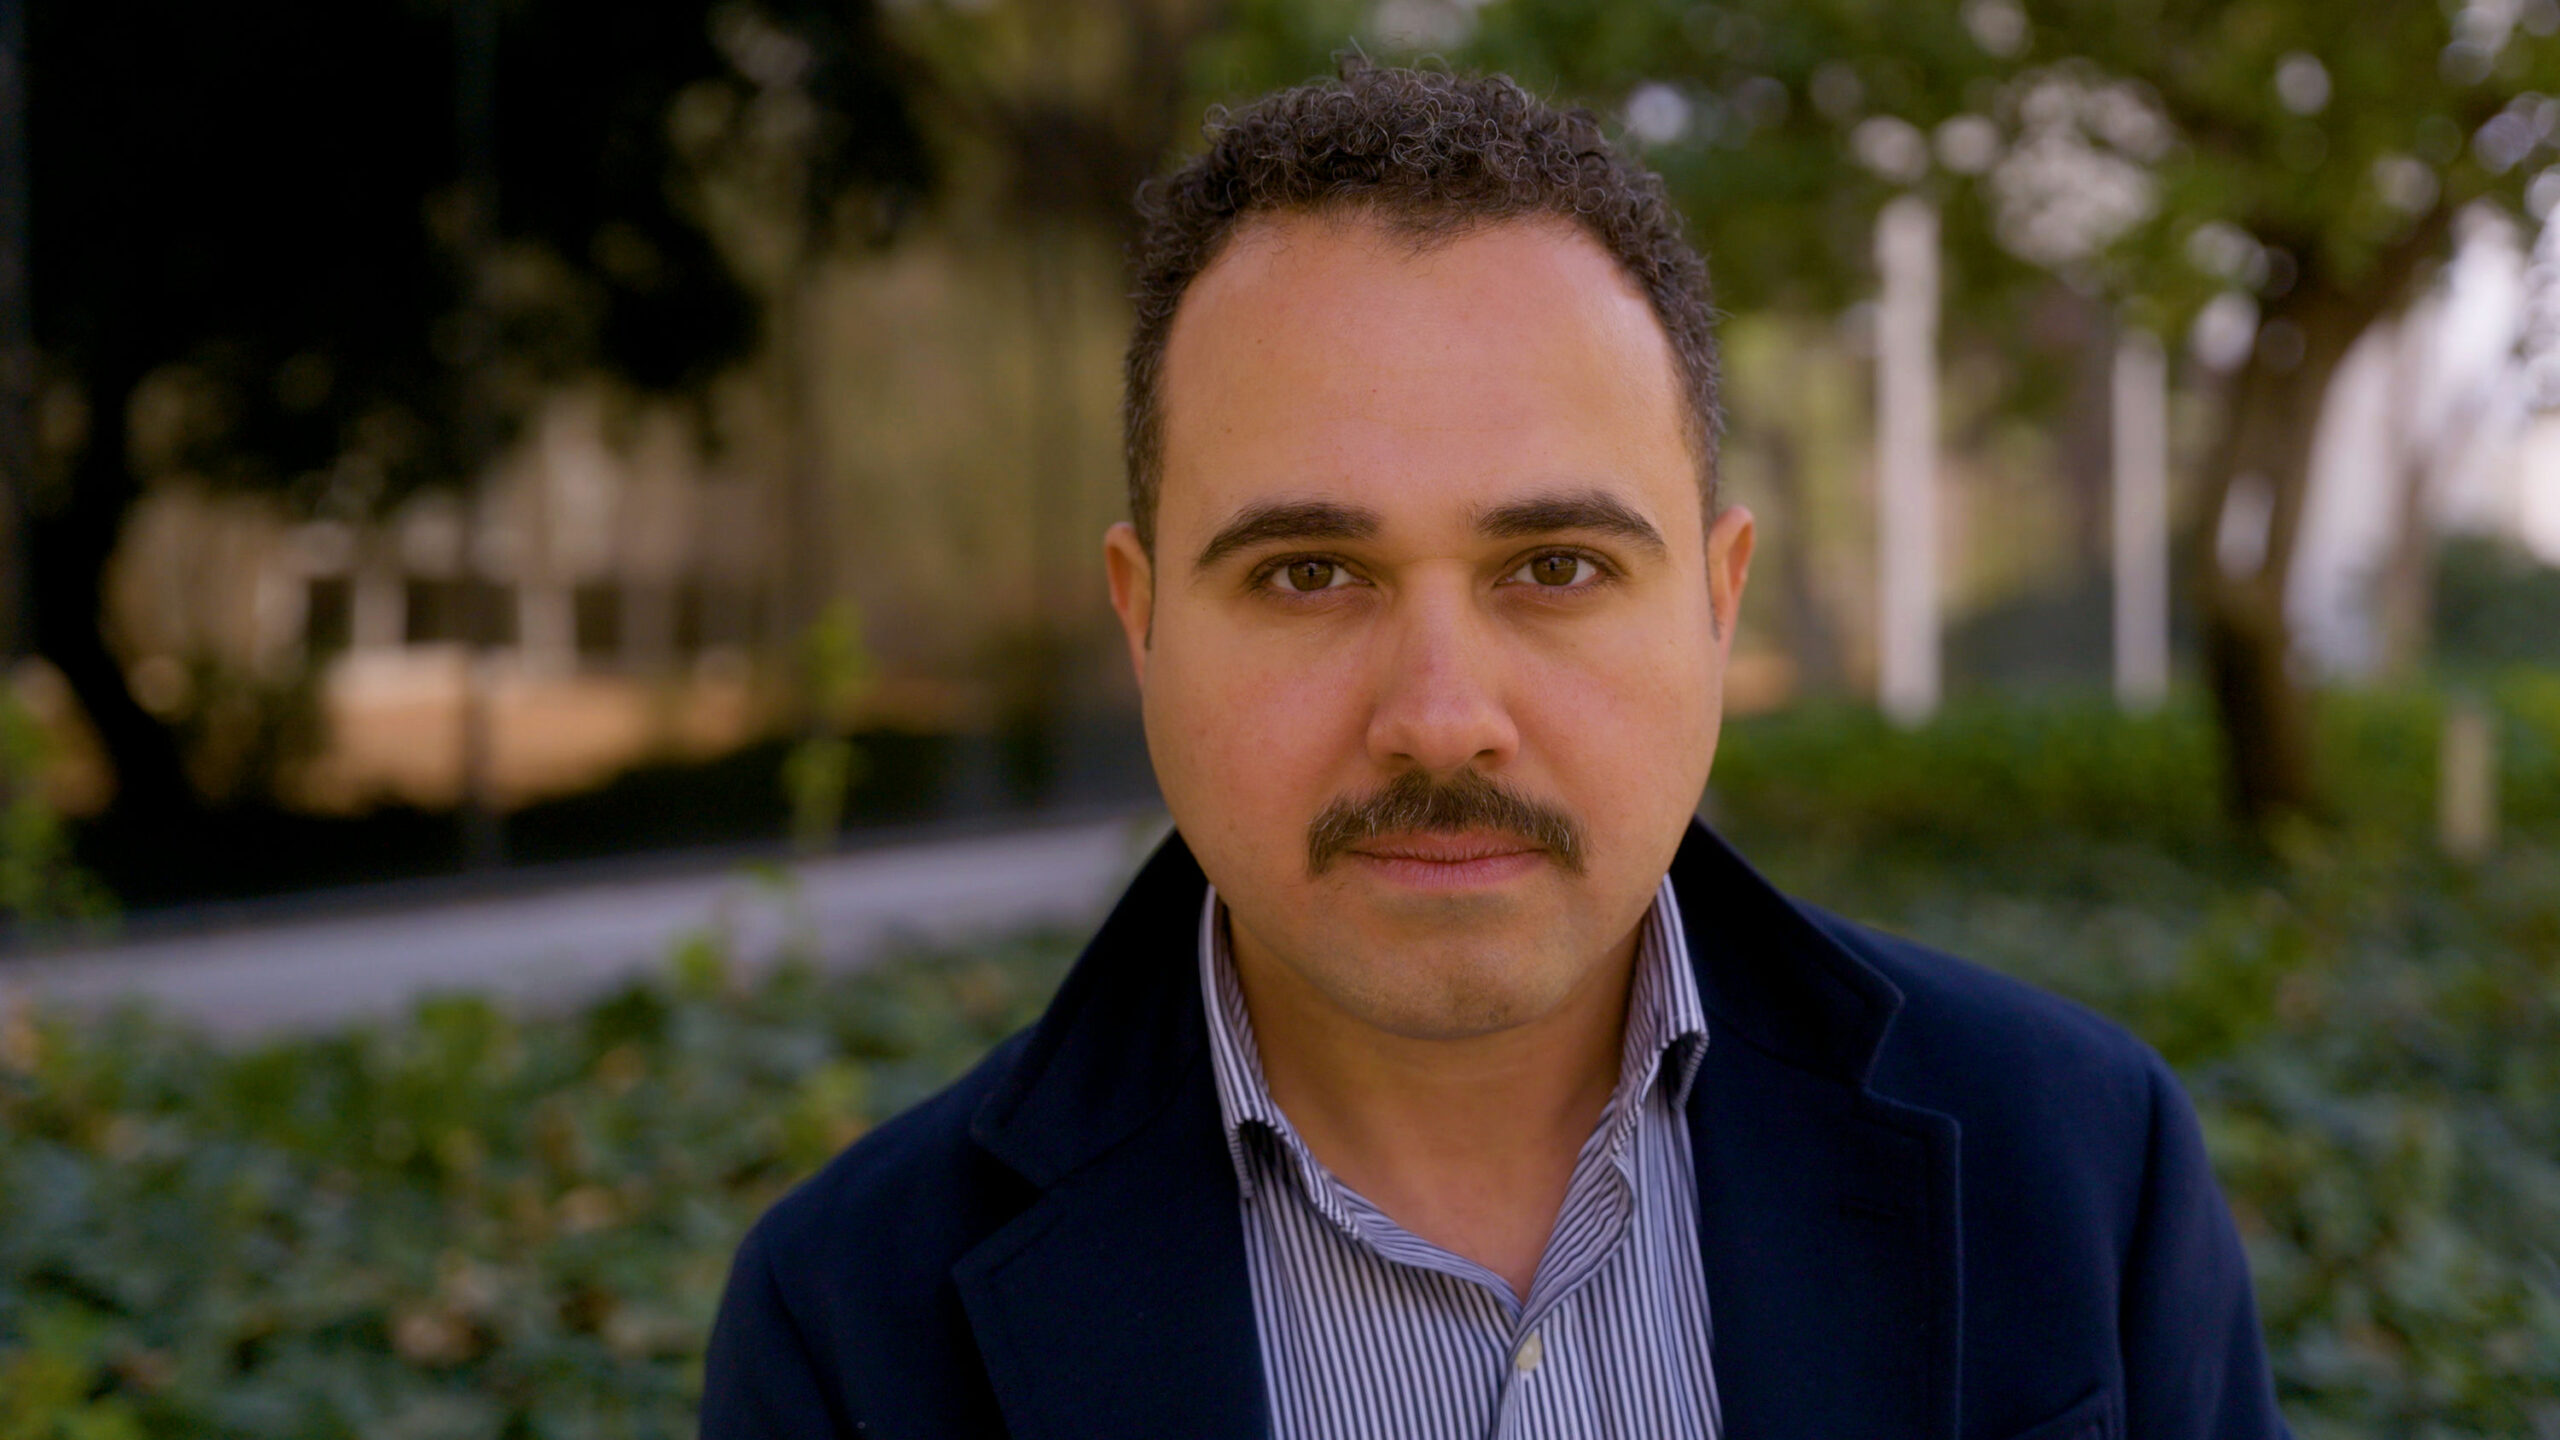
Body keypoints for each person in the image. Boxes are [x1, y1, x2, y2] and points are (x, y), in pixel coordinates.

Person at [702, 62, 2291, 1440]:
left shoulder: (2081, 1170)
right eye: (1308, 574)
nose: (1441, 714)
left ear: (1719, 607)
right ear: (1144, 624)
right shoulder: (852, 1319)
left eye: (1556, 568)